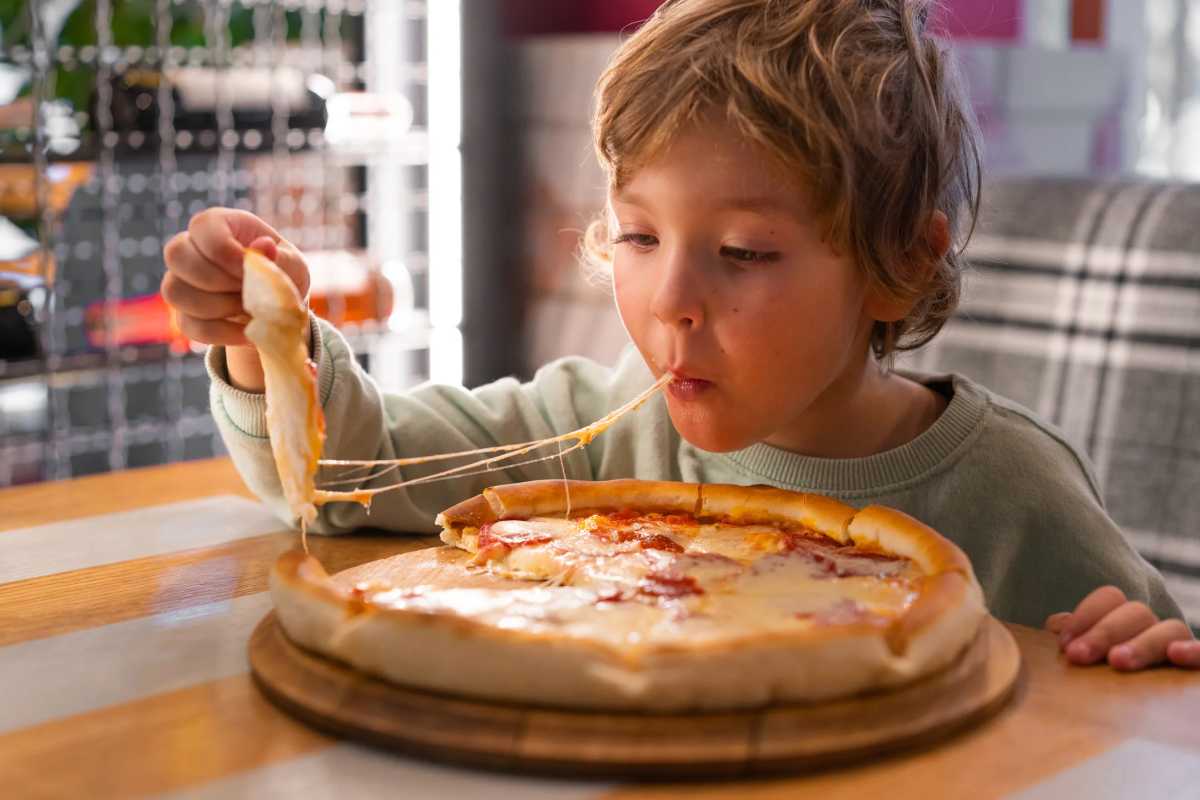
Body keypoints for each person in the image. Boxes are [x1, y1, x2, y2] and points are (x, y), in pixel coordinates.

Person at [161, 0, 1198, 670]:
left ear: (900, 265)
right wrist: (264, 340)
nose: (669, 300)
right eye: (641, 235)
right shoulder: (600, 434)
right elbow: (347, 472)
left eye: (743, 251)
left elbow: (1163, 697)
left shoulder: (1013, 492)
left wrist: (1146, 647)